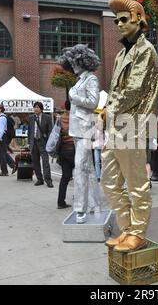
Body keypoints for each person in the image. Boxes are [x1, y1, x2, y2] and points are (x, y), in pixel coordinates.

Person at [102, 0, 158, 252]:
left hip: (133, 126)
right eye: (116, 21)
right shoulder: (120, 55)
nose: (119, 24)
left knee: (136, 185)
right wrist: (107, 111)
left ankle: (138, 232)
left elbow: (134, 89)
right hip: (116, 125)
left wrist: (108, 109)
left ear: (138, 19)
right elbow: (115, 89)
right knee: (109, 182)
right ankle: (127, 229)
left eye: (124, 19)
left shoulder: (146, 50)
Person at [57, 44, 101, 223]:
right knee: (88, 168)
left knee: (80, 166)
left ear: (84, 61)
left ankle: (80, 208)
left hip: (85, 129)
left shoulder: (91, 79)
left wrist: (74, 97)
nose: (73, 65)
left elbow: (93, 102)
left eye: (75, 61)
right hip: (77, 130)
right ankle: (94, 204)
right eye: (71, 62)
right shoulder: (79, 80)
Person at [28, 102, 53, 188]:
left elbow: (50, 130)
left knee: (45, 162)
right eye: (34, 107)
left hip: (43, 142)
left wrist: (49, 142)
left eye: (37, 107)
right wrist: (29, 142)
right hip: (34, 142)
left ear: (41, 109)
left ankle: (48, 180)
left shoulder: (47, 118)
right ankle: (40, 179)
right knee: (35, 162)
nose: (36, 109)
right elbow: (30, 131)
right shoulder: (31, 118)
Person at [57, 102, 74, 209]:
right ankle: (80, 199)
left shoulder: (60, 119)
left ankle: (60, 201)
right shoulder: (75, 118)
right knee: (80, 175)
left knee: (65, 177)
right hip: (74, 150)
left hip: (63, 150)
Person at [0, 105, 16, 176]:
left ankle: (4, 171)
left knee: (1, 155)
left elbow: (1, 130)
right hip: (5, 137)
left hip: (3, 137)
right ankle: (14, 165)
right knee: (3, 153)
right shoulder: (3, 117)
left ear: (0, 110)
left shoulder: (1, 118)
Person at [93, 109, 105, 182]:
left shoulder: (105, 127)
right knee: (97, 161)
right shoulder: (95, 127)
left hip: (103, 147)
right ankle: (98, 176)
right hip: (96, 146)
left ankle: (103, 176)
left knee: (103, 162)